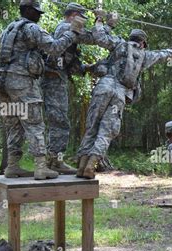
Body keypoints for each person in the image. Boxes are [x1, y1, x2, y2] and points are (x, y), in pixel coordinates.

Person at [75, 19, 172, 179]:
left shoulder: (119, 43)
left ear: (131, 38)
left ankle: (81, 166)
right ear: (143, 43)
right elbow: (164, 54)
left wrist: (100, 22)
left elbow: (100, 37)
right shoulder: (144, 55)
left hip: (104, 86)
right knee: (106, 132)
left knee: (92, 126)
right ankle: (90, 165)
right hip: (121, 94)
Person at [0, 0, 85, 180]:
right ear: (27, 10)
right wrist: (73, 32)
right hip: (21, 81)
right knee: (35, 123)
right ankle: (41, 167)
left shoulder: (8, 29)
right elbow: (54, 48)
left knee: (14, 123)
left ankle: (12, 166)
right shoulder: (31, 29)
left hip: (0, 81)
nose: (40, 15)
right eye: (37, 11)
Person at [41, 3, 118, 174]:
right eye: (82, 16)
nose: (84, 21)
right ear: (74, 15)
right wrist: (104, 23)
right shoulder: (67, 27)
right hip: (53, 79)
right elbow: (95, 38)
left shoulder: (67, 30)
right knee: (60, 122)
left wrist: (89, 68)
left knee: (59, 121)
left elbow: (73, 64)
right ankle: (54, 161)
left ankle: (55, 160)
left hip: (56, 78)